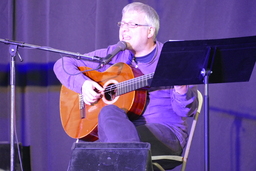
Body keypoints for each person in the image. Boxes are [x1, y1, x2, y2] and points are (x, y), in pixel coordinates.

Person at [54, 2, 198, 169]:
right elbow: (63, 63)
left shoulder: (172, 59)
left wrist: (181, 89)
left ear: (150, 31)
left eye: (132, 25)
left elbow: (185, 111)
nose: (124, 29)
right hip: (119, 134)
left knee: (95, 154)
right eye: (122, 24)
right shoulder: (114, 54)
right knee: (107, 116)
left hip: (165, 135)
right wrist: (83, 84)